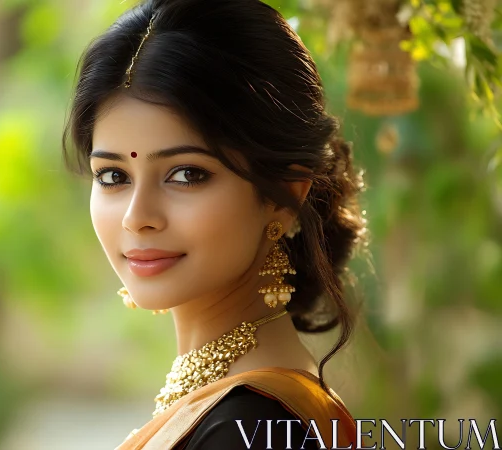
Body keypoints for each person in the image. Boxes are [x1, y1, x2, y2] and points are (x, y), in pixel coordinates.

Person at [62, 0, 368, 448]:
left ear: (285, 198)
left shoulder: (252, 425)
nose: (136, 217)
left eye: (186, 174)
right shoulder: (235, 409)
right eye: (113, 176)